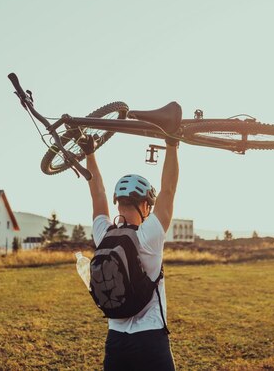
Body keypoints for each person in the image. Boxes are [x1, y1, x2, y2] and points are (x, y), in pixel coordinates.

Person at [80, 135, 179, 371]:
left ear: (118, 203)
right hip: (151, 340)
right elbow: (169, 189)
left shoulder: (103, 234)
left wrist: (89, 154)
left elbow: (97, 194)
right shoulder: (149, 236)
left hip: (116, 340)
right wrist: (172, 143)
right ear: (145, 205)